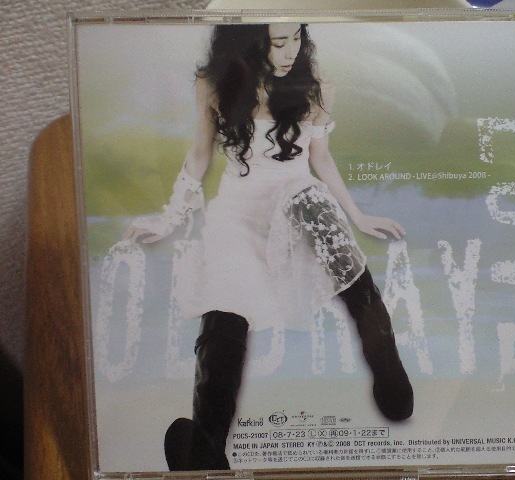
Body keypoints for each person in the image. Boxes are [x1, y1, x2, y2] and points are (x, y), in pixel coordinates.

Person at [124, 23, 413, 472]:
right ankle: (207, 448)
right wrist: (168, 218)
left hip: (297, 194)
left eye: (296, 38)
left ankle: (389, 372)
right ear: (248, 43)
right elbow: (200, 154)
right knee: (225, 307)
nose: (290, 51)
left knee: (341, 256)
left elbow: (320, 158)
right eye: (279, 42)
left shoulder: (316, 88)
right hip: (238, 209)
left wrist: (357, 216)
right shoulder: (213, 86)